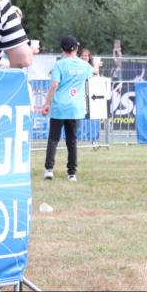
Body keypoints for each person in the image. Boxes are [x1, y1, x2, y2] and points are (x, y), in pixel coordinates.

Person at [42, 34, 95, 182]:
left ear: (62, 49)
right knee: (72, 141)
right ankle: (72, 173)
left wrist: (47, 103)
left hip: (59, 106)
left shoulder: (59, 64)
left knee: (53, 139)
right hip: (75, 107)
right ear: (77, 48)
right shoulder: (84, 65)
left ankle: (49, 170)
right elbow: (93, 73)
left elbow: (54, 84)